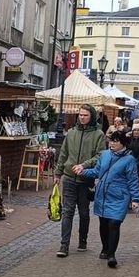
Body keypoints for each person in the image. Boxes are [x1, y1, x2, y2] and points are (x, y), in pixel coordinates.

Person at [74, 130, 139, 268]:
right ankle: (105, 249)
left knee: (114, 224)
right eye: (110, 140)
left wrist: (136, 199)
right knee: (104, 223)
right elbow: (97, 171)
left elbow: (133, 180)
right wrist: (83, 171)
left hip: (119, 197)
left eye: (115, 141)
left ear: (123, 143)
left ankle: (112, 254)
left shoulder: (129, 160)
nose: (112, 143)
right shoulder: (105, 155)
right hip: (103, 195)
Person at [55, 105, 106, 258]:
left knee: (84, 212)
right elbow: (63, 153)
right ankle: (64, 245)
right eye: (80, 115)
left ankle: (83, 240)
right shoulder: (71, 133)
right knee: (67, 211)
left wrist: (84, 165)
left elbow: (100, 156)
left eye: (85, 115)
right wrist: (58, 173)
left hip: (86, 179)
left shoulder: (98, 135)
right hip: (70, 177)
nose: (82, 117)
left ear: (91, 116)